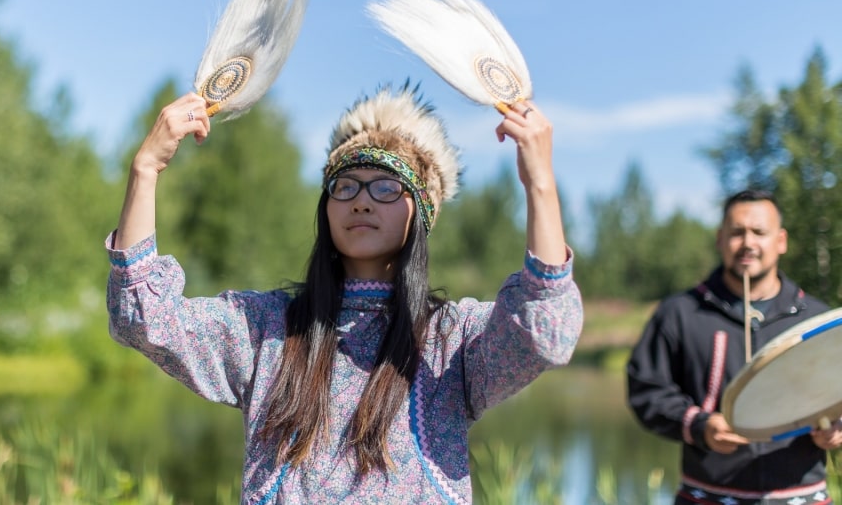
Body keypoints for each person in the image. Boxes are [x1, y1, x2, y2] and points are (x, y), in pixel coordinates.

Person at [106, 84, 583, 503]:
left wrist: (539, 183)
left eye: (386, 188)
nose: (360, 199)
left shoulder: (450, 343)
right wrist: (145, 169)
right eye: (345, 185)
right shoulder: (270, 329)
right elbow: (145, 317)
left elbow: (544, 332)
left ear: (422, 214)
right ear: (326, 207)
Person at [626, 189, 842, 505]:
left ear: (781, 241)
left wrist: (837, 426)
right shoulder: (681, 313)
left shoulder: (817, 319)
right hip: (705, 495)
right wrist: (699, 425)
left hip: (802, 496)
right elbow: (647, 390)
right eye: (737, 232)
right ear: (720, 239)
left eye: (759, 232)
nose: (748, 243)